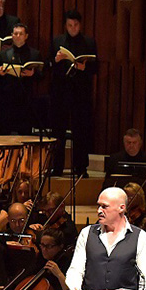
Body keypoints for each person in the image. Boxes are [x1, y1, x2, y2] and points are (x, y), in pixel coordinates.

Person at [48, 9, 98, 176]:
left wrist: (84, 68)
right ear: (65, 25)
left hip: (81, 93)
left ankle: (81, 168)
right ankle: (57, 167)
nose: (73, 28)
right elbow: (49, 64)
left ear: (80, 25)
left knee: (81, 131)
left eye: (76, 25)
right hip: (60, 92)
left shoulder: (89, 42)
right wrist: (56, 60)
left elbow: (96, 67)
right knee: (58, 131)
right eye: (70, 25)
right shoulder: (57, 41)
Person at [0, 22, 44, 135]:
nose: (18, 36)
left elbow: (42, 76)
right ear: (12, 35)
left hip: (26, 101)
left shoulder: (34, 54)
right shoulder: (3, 54)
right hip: (7, 101)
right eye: (15, 34)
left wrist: (32, 74)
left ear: (26, 36)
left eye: (21, 34)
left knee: (25, 136)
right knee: (4, 136)